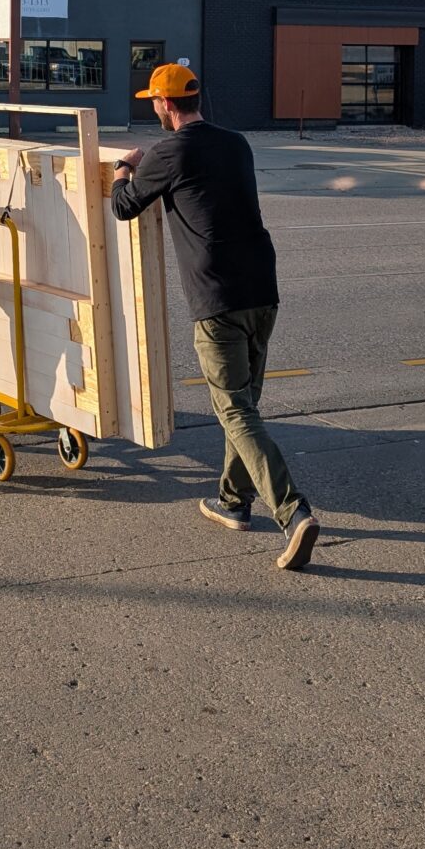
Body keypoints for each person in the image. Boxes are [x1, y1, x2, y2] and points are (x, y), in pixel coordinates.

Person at [110, 62, 319, 570]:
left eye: (153, 102)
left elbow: (123, 207)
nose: (154, 108)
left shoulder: (169, 152)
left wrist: (123, 168)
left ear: (163, 104)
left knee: (235, 409)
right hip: (262, 290)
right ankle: (232, 501)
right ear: (195, 98)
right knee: (243, 402)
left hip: (217, 297)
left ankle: (293, 514)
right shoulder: (237, 143)